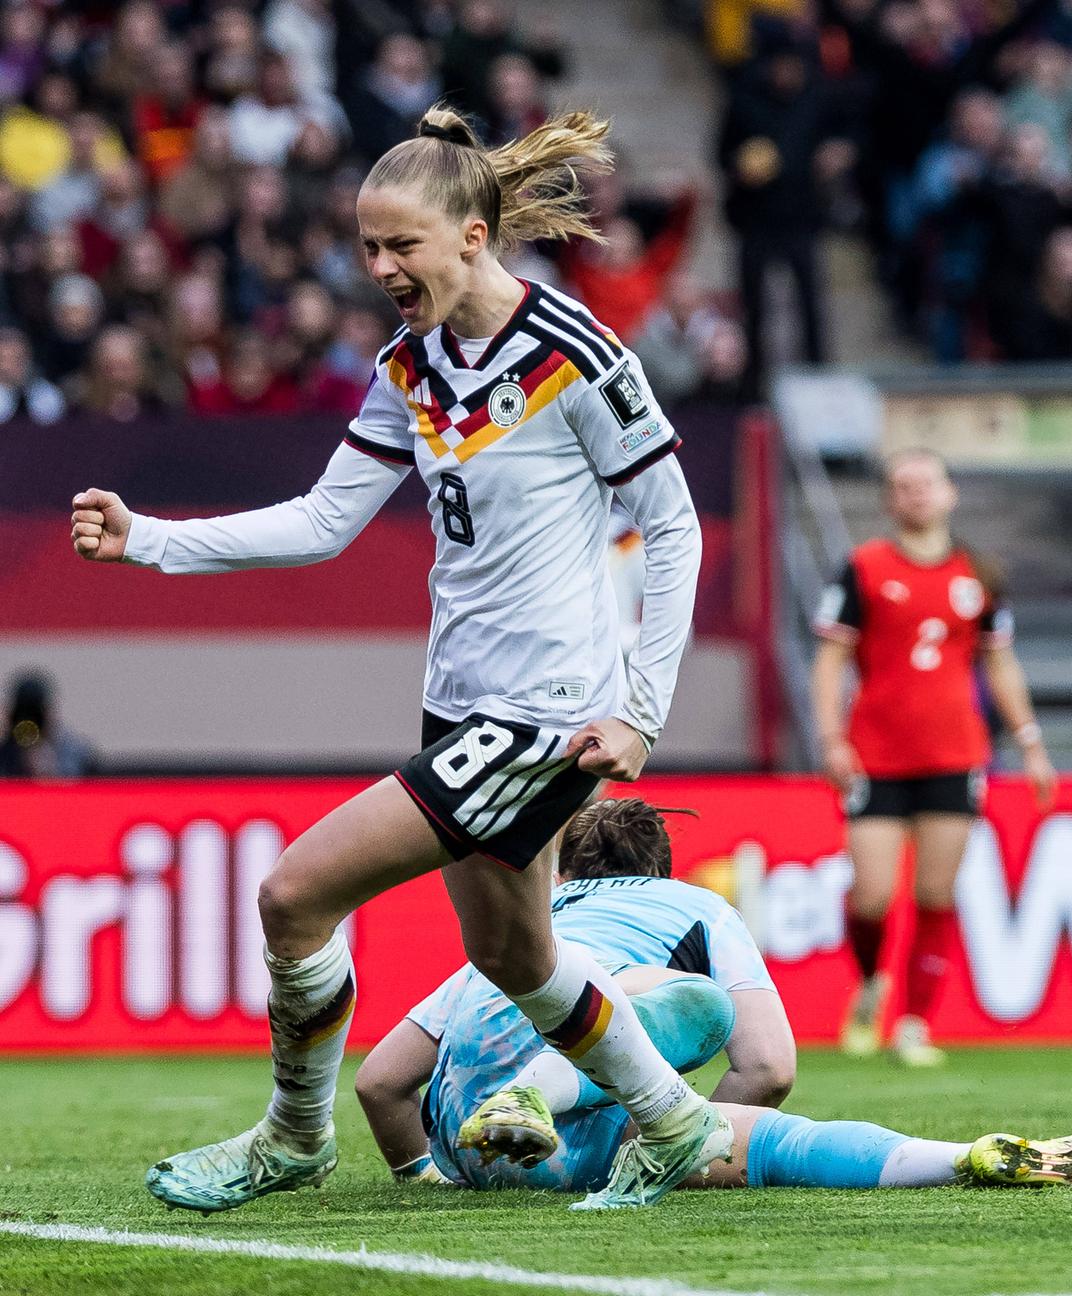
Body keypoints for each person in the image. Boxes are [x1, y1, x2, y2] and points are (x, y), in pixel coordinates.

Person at [70, 105, 722, 1214]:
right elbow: (326, 519)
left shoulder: (576, 354)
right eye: (369, 247)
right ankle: (672, 1119)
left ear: (473, 234)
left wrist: (643, 712)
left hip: (542, 714)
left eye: (400, 244)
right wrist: (154, 541)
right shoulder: (412, 365)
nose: (380, 267)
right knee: (519, 959)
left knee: (292, 897)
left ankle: (291, 1135)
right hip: (459, 707)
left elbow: (674, 525)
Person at [356, 802, 1072, 1198]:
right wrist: (681, 1141)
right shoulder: (695, 907)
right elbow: (768, 1066)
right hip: (567, 1137)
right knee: (723, 1048)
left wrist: (425, 1179)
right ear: (664, 865)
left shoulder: (521, 929)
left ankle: (964, 1159)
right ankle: (957, 1158)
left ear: (563, 876)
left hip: (469, 1145)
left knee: (648, 1070)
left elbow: (379, 1081)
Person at [811, 448, 1057, 1067]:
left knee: (936, 893)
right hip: (877, 754)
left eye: (925, 484)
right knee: (870, 896)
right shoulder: (864, 567)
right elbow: (831, 659)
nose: (915, 495)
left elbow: (999, 661)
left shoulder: (979, 573)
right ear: (891, 500)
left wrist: (1030, 743)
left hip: (955, 754)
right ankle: (871, 982)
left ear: (949, 493)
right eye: (902, 486)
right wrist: (831, 737)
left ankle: (916, 1024)